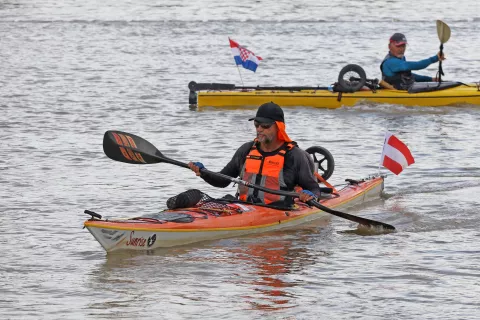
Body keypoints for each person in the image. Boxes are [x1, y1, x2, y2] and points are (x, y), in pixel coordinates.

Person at [188, 102, 321, 206]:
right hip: (244, 206)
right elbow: (223, 181)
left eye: (265, 126)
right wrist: (203, 172)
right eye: (257, 125)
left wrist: (309, 195)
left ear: (279, 127)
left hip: (279, 209)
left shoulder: (294, 156)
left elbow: (314, 189)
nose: (259, 129)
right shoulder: (246, 150)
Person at [380, 32, 446, 90]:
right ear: (389, 46)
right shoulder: (390, 62)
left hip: (406, 89)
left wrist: (431, 79)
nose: (401, 49)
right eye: (398, 46)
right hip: (395, 93)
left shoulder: (401, 58)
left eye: (403, 46)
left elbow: (408, 76)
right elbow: (416, 65)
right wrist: (435, 58)